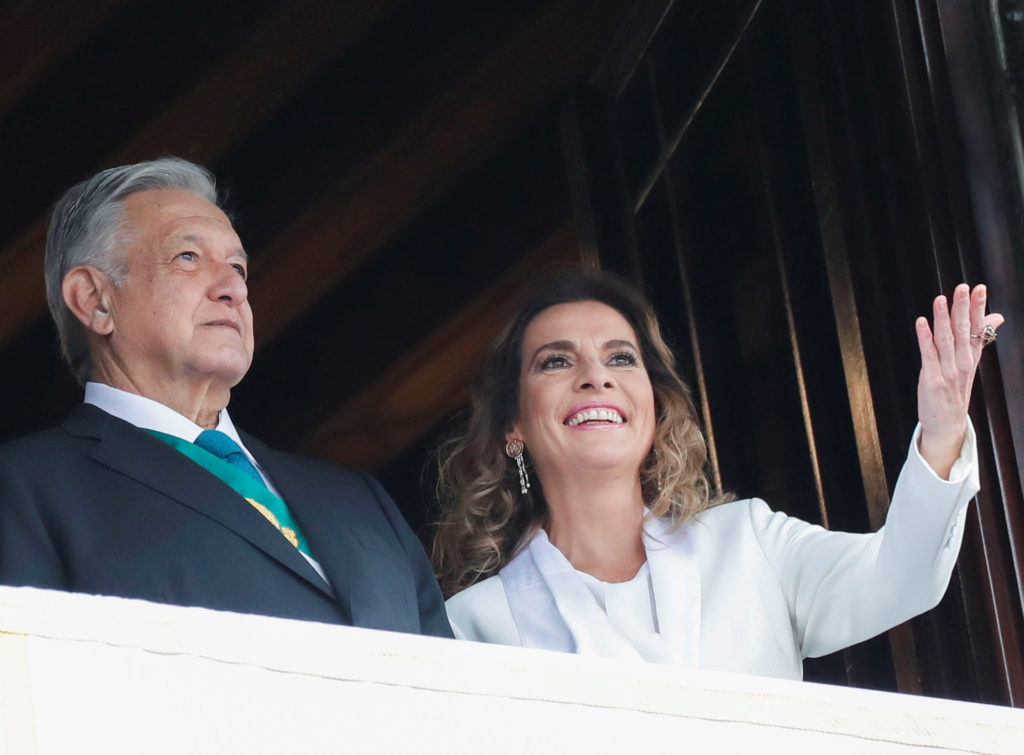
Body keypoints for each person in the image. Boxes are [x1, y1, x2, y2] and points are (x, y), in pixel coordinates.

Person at [434, 270, 1001, 679]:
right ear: (513, 425)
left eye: (621, 358)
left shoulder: (751, 544)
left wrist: (943, 429)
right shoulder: (474, 626)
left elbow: (901, 579)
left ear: (652, 406)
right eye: (556, 361)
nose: (594, 377)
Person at [0, 157, 451, 638]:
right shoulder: (27, 488)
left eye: (238, 267)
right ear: (95, 300)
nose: (233, 287)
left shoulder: (360, 500)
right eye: (187, 258)